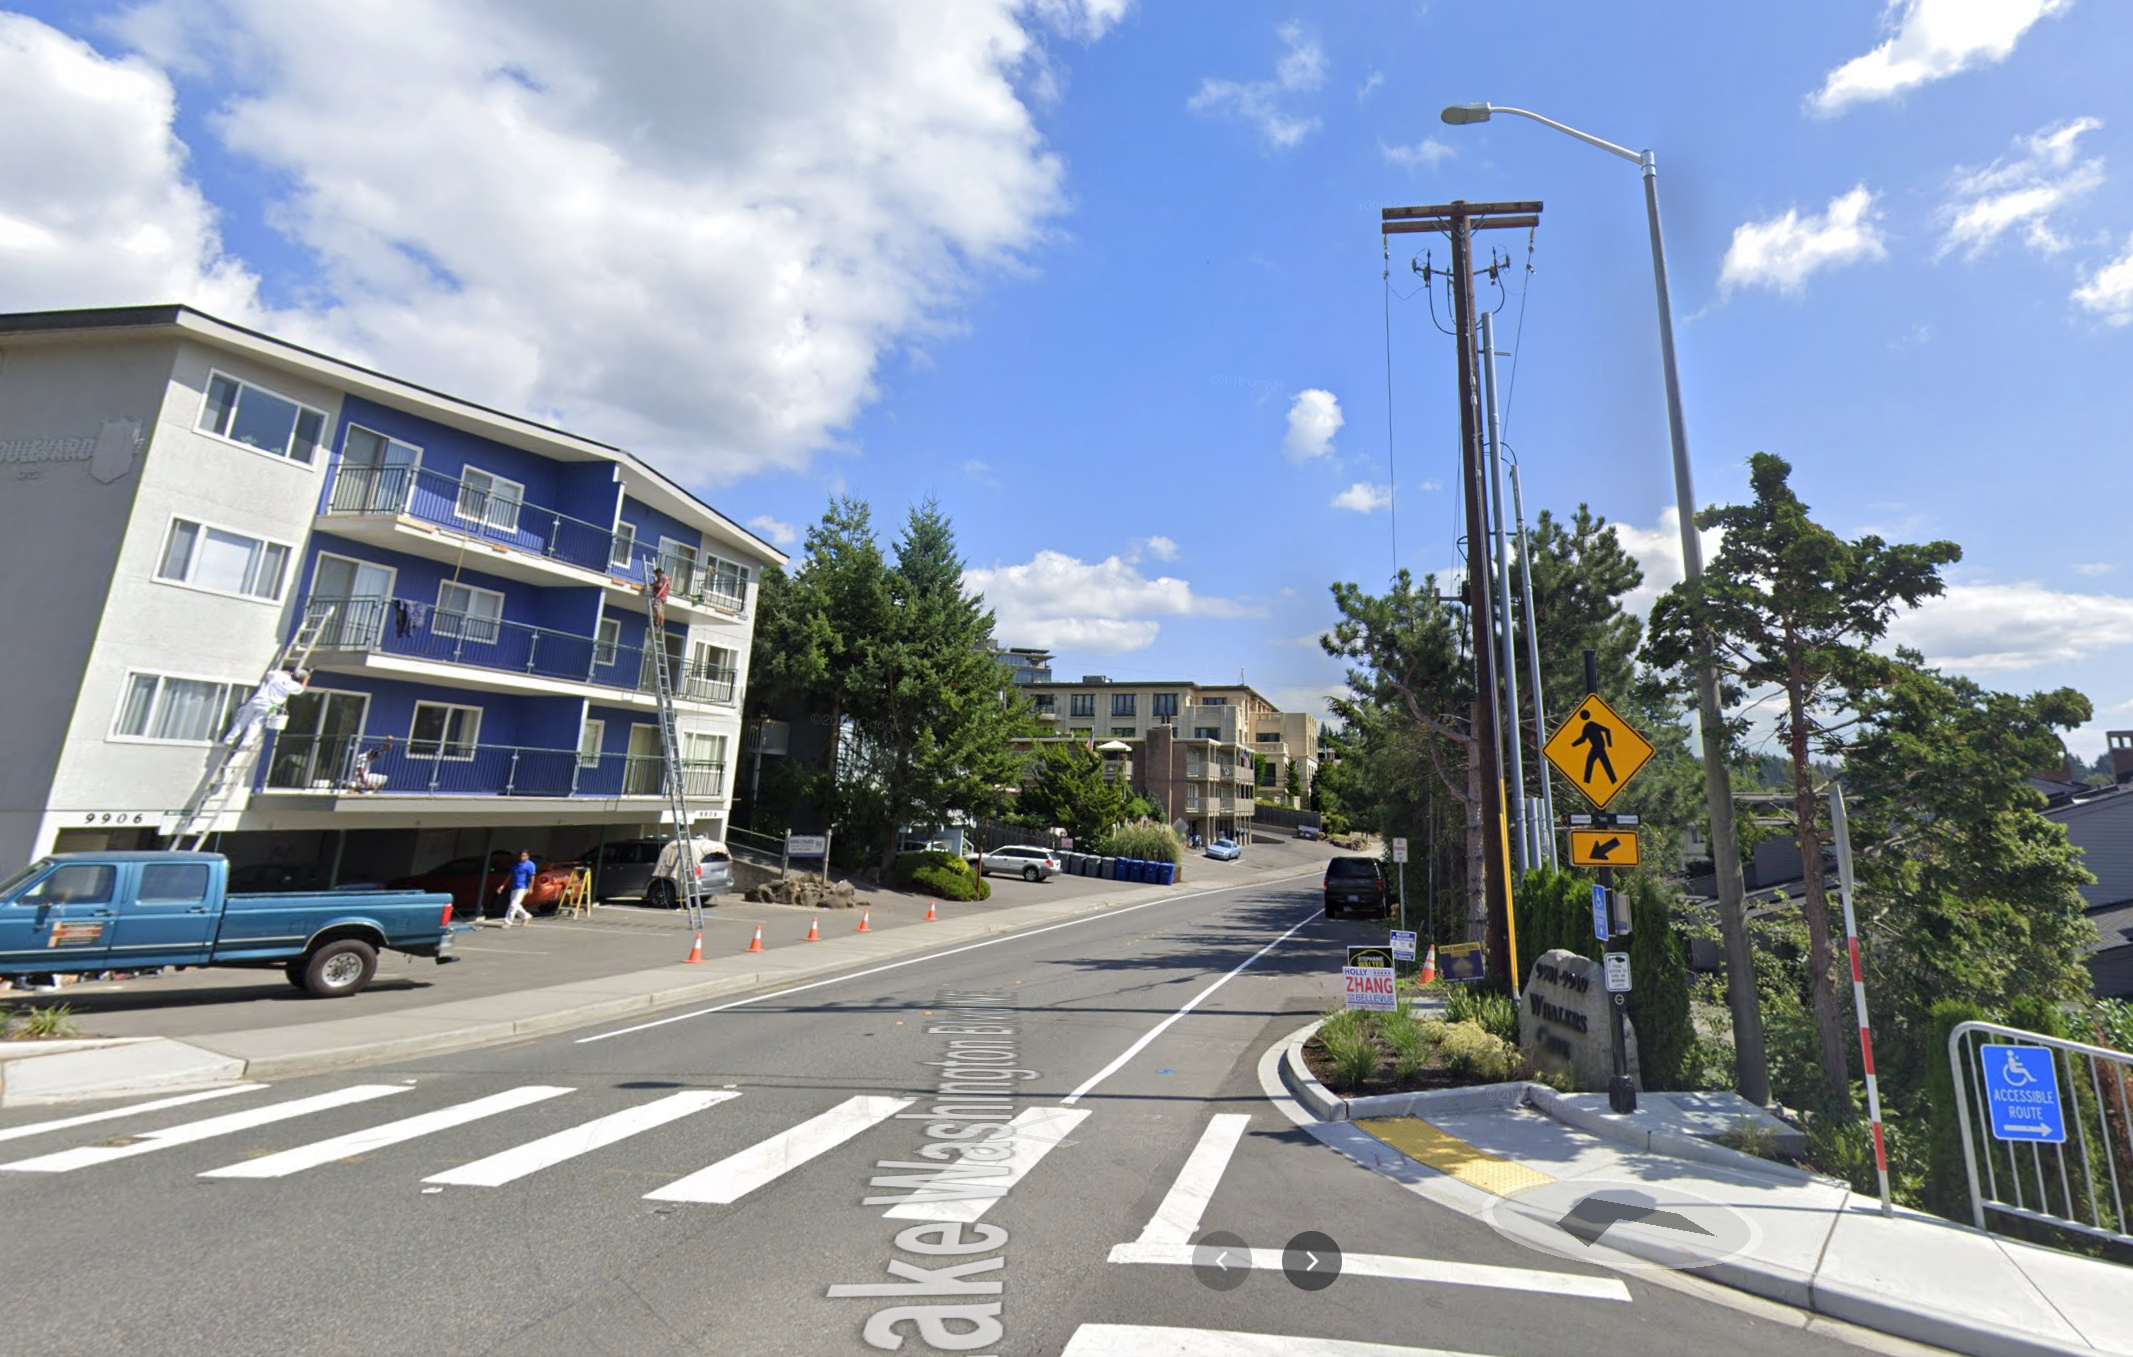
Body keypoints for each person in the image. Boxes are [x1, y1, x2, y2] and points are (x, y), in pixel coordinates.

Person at [224, 667, 310, 751]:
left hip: (257, 700)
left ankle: (229, 739)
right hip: (269, 705)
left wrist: (283, 672)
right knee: (256, 724)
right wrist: (306, 679)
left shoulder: (279, 675)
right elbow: (302, 689)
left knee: (243, 720)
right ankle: (245, 744)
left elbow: (270, 673)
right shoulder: (294, 685)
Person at [502, 851, 537, 927]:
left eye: (524, 856)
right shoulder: (516, 865)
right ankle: (526, 916)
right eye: (521, 856)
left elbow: (532, 877)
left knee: (513, 904)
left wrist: (531, 888)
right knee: (515, 904)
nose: (522, 857)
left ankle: (508, 922)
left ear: (528, 856)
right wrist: (503, 886)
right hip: (515, 887)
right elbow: (509, 876)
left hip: (523, 887)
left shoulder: (530, 865)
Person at [647, 564, 670, 630]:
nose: (655, 575)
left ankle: (656, 623)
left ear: (659, 573)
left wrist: (654, 584)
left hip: (659, 597)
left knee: (657, 610)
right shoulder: (666, 579)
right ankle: (662, 625)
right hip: (664, 597)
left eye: (656, 574)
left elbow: (660, 585)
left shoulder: (662, 578)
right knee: (662, 612)